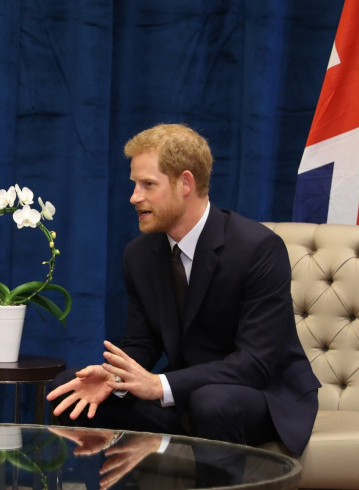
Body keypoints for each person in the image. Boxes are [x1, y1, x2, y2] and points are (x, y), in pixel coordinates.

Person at [48, 123, 320, 456]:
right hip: (185, 395)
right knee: (70, 389)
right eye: (135, 184)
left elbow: (255, 362)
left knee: (213, 401)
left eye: (148, 184)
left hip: (260, 393)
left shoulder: (257, 248)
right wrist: (114, 379)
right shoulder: (140, 254)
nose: (134, 197)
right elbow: (141, 344)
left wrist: (160, 385)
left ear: (185, 183)